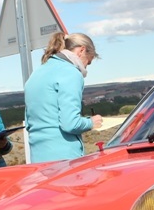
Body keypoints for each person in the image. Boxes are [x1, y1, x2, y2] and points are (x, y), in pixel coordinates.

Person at [23, 32, 104, 163]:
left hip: (37, 158)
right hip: (65, 159)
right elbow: (70, 123)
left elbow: (29, 122)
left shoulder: (37, 73)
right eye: (87, 63)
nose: (85, 68)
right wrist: (91, 122)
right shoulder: (71, 72)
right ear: (81, 51)